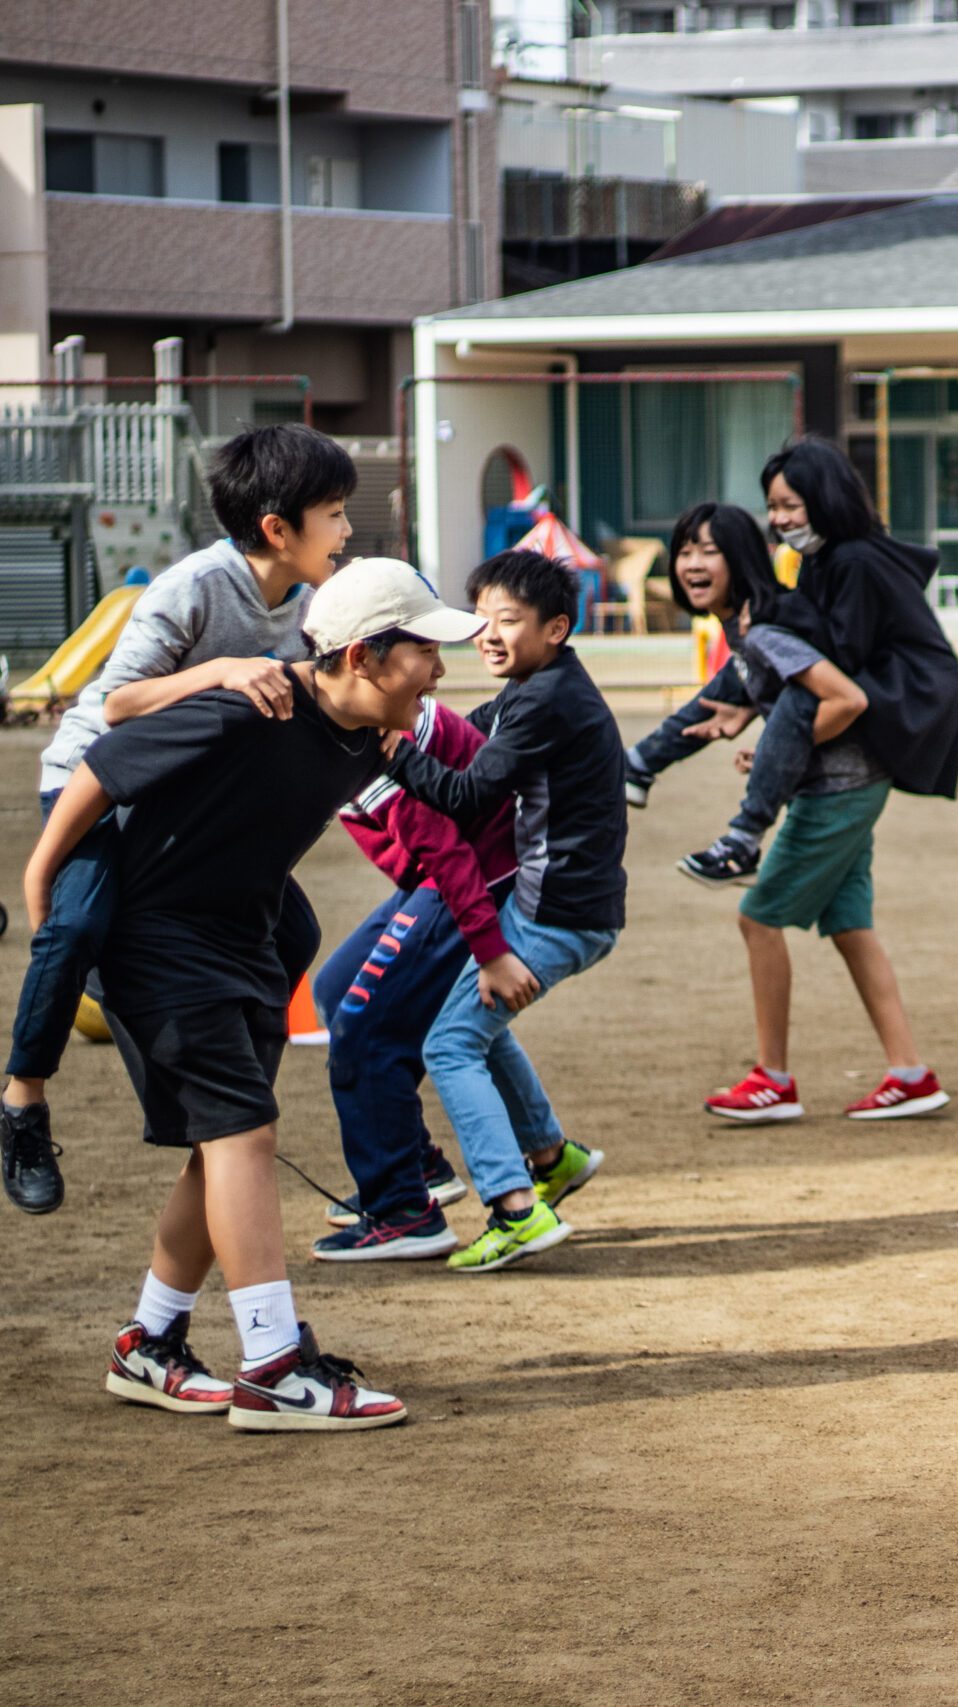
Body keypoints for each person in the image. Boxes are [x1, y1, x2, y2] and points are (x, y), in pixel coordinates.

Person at [38, 558, 484, 1429]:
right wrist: (42, 877)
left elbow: (454, 801)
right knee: (244, 1132)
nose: (438, 668)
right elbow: (106, 753)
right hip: (159, 938)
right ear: (362, 657)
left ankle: (149, 1343)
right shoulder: (252, 703)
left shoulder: (358, 734)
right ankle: (274, 1365)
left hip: (237, 938)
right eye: (424, 650)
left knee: (220, 1148)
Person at [2, 423, 353, 1216]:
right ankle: (23, 1099)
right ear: (277, 528)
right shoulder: (194, 586)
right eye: (333, 512)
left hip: (182, 805)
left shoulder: (306, 610)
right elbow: (119, 703)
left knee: (295, 932)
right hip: (94, 777)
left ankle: (228, 1092)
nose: (346, 529)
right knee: (81, 923)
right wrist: (224, 670)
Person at [380, 550, 626, 1272]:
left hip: (556, 913)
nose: (488, 635)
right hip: (573, 906)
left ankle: (514, 1207)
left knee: (448, 1044)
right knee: (474, 1030)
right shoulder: (542, 686)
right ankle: (552, 1156)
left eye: (507, 622)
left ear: (556, 627)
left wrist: (391, 752)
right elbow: (472, 733)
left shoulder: (544, 700)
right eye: (480, 620)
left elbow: (463, 793)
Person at [666, 504, 948, 1122]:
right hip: (850, 783)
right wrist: (768, 745)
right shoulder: (745, 626)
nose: (693, 563)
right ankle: (910, 1074)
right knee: (850, 925)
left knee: (758, 918)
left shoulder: (763, 627)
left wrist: (775, 752)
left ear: (741, 558)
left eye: (708, 550)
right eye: (685, 550)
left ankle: (773, 1080)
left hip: (836, 790)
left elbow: (845, 701)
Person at [645, 440, 958, 886]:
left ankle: (744, 838)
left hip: (913, 691)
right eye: (772, 506)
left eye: (790, 505)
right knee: (746, 667)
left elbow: (841, 649)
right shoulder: (824, 558)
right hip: (884, 681)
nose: (778, 518)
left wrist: (772, 609)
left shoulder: (855, 559)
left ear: (825, 499)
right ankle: (642, 762)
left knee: (793, 681)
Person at [308, 684, 519, 1261]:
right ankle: (418, 1167)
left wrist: (491, 951)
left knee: (362, 1027)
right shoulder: (342, 723)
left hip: (475, 884)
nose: (440, 671)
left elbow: (449, 855)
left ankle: (404, 1210)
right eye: (424, 653)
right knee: (333, 991)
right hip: (439, 879)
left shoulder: (378, 740)